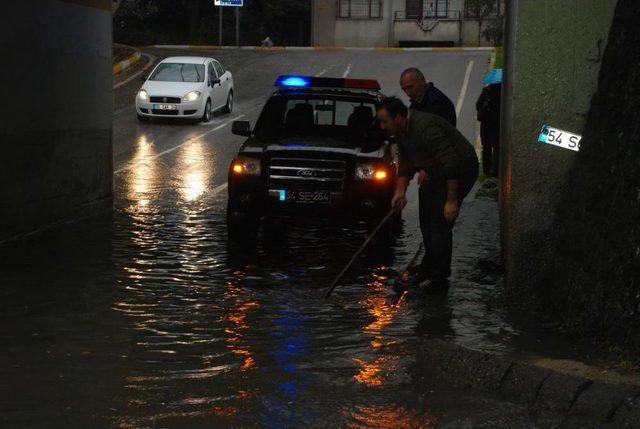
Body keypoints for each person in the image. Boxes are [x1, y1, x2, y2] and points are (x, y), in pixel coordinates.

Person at [377, 97, 479, 293]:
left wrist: (451, 201)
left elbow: (451, 162)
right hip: (435, 170)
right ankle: (429, 265)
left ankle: (439, 278)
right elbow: (406, 165)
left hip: (461, 168)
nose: (382, 126)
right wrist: (400, 193)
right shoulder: (400, 132)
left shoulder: (425, 127)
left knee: (439, 220)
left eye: (384, 121)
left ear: (398, 117)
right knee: (426, 215)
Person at [475, 82, 502, 176]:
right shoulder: (504, 91)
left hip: (486, 123)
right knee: (497, 146)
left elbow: (478, 105)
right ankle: (495, 171)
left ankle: (486, 170)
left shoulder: (487, 90)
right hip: (498, 123)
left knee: (486, 146)